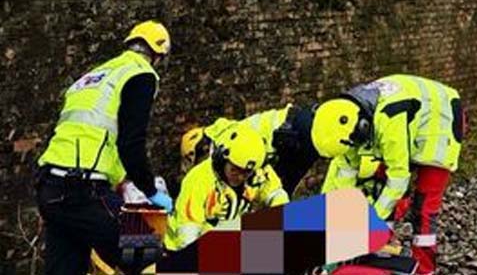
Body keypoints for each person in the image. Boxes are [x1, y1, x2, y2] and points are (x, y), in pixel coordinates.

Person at [36, 21, 175, 275]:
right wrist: (150, 189)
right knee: (148, 254)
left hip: (50, 189)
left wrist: (120, 179)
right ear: (157, 55)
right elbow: (130, 143)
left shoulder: (92, 77)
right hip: (83, 191)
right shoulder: (140, 74)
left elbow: (90, 135)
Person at [314, 75, 467, 275]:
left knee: (424, 208)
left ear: (362, 127)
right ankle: (379, 252)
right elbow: (343, 178)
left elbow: (399, 177)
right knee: (382, 193)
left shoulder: (389, 118)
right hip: (412, 123)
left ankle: (425, 270)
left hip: (441, 126)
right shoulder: (345, 127)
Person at [164, 122, 288, 251]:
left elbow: (277, 195)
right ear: (223, 159)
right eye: (235, 170)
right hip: (181, 245)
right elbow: (188, 229)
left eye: (246, 172)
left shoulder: (259, 171)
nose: (240, 177)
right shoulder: (199, 178)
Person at [192, 102, 321, 196]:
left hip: (287, 135)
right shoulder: (227, 132)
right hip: (290, 132)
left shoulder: (222, 144)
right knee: (282, 188)